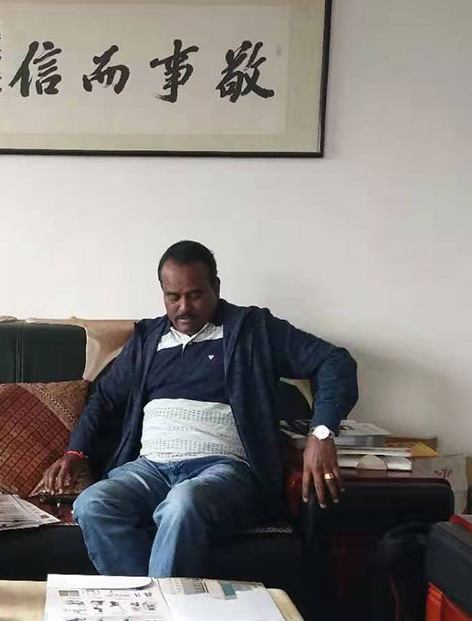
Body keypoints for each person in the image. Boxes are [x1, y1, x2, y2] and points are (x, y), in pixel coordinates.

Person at [41, 240, 358, 577]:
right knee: (93, 504)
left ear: (216, 288)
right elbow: (104, 398)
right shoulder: (148, 339)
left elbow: (334, 361)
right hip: (150, 469)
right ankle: (155, 600)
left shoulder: (253, 329)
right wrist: (76, 451)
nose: (183, 308)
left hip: (222, 471)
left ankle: (156, 603)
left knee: (183, 502)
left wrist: (321, 433)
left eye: (195, 295)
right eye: (173, 297)